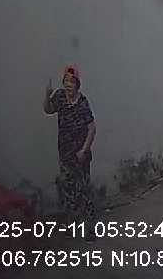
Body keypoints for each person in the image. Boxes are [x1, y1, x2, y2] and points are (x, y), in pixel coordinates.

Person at [42, 65, 96, 226]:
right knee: (68, 190)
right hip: (65, 154)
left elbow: (92, 129)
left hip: (80, 155)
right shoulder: (59, 96)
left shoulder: (82, 103)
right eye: (66, 81)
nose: (68, 85)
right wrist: (47, 96)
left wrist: (84, 150)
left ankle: (89, 225)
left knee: (84, 190)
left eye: (72, 82)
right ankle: (73, 223)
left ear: (77, 84)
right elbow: (48, 110)